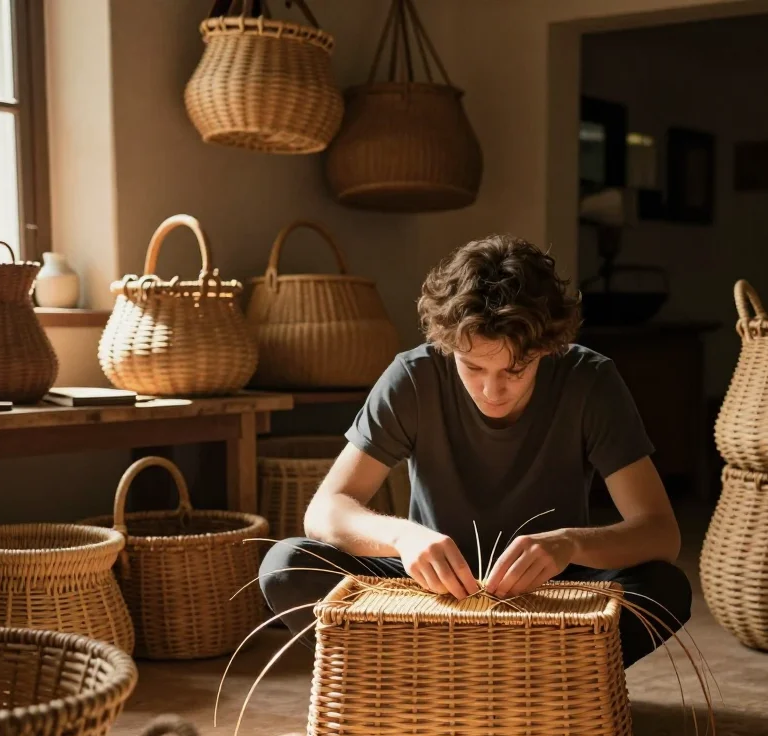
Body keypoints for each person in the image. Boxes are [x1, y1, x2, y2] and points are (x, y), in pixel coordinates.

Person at [260, 235, 691, 667]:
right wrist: (403, 537)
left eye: (515, 369)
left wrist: (569, 545)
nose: (492, 390)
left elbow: (660, 532)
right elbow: (324, 511)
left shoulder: (590, 381)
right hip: (428, 593)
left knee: (664, 587)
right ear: (448, 346)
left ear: (547, 347)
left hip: (555, 594)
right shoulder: (413, 376)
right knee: (286, 565)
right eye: (473, 367)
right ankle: (499, 675)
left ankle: (465, 673)